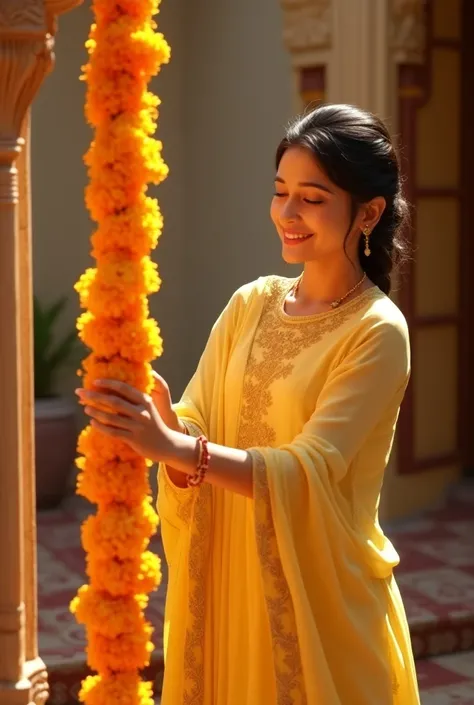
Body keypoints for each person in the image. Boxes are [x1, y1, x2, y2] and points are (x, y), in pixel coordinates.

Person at [77, 103, 420, 705]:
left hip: (320, 603)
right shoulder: (251, 304)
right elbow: (199, 423)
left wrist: (176, 444)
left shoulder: (376, 331)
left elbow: (312, 469)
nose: (287, 213)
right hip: (230, 586)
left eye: (312, 198)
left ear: (367, 213)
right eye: (280, 191)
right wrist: (160, 418)